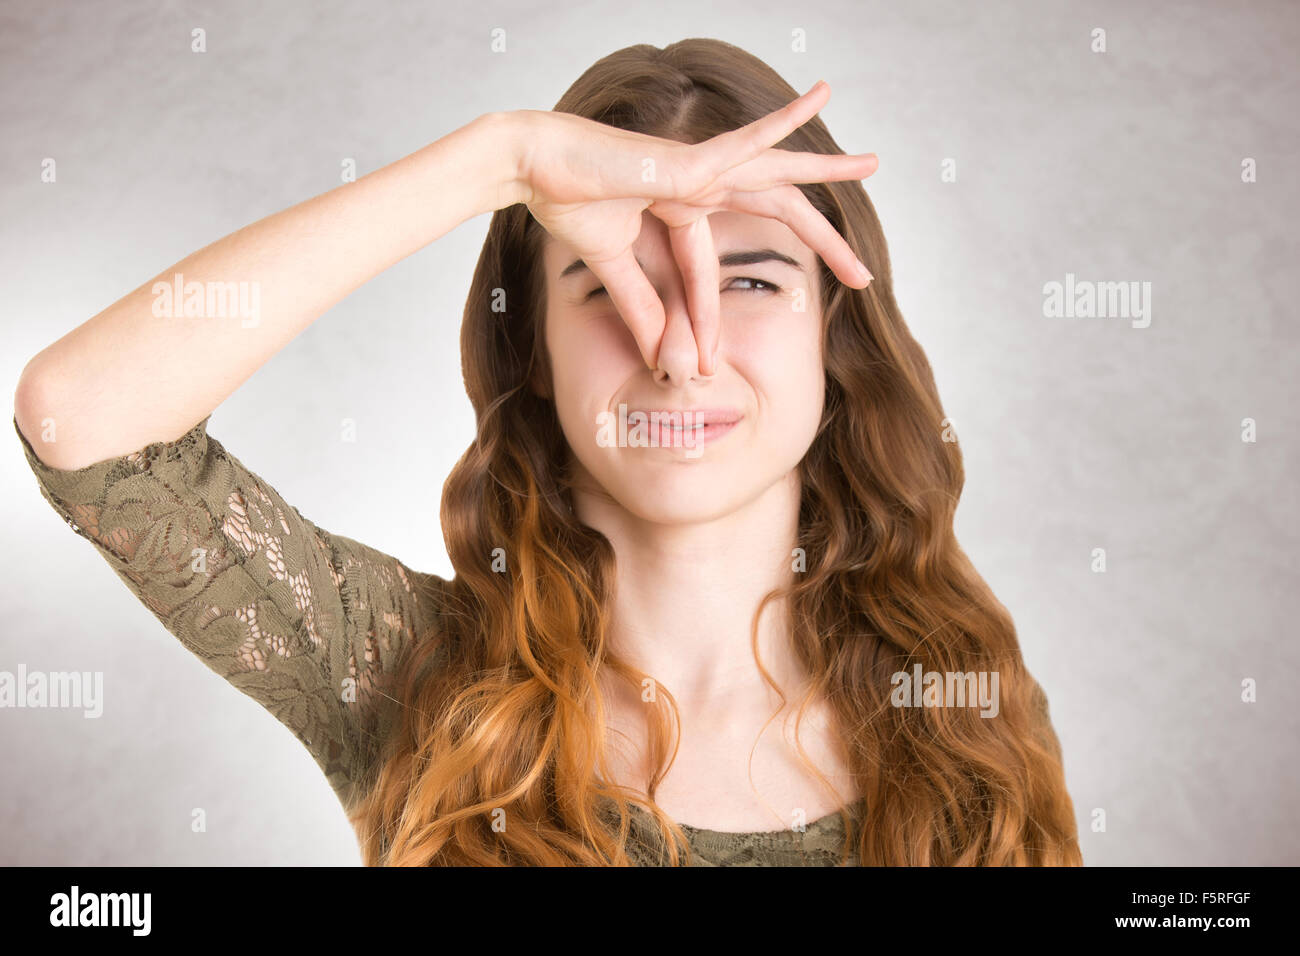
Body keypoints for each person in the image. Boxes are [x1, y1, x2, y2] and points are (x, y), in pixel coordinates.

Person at [13, 38, 1081, 866]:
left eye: (750, 280)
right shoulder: (416, 680)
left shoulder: (956, 716)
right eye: (610, 286)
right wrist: (503, 160)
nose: (679, 346)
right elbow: (79, 416)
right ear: (531, 347)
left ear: (832, 341)